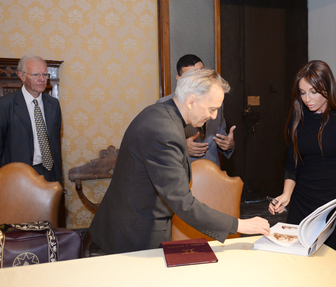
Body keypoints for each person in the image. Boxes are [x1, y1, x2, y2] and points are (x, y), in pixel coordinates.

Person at [89, 68, 269, 254]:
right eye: (212, 109)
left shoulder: (159, 113)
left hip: (132, 221)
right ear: (191, 101)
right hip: (135, 233)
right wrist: (239, 225)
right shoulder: (164, 132)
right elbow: (184, 203)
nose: (214, 116)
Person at [269, 60, 336, 255]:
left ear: (327, 87)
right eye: (302, 92)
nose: (307, 99)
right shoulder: (298, 119)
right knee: (297, 261)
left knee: (331, 262)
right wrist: (286, 194)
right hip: (302, 202)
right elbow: (292, 165)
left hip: (335, 203)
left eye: (313, 91)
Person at [157, 54, 235, 167]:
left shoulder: (216, 104)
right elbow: (158, 149)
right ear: (179, 80)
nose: (200, 82)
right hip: (185, 173)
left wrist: (228, 145)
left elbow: (219, 137)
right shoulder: (164, 106)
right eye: (193, 78)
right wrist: (183, 147)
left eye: (202, 75)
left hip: (213, 172)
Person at [0, 55, 62, 184]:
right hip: (18, 177)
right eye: (35, 75)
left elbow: (55, 142)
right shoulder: (5, 105)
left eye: (45, 74)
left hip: (50, 173)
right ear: (22, 76)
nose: (41, 79)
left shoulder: (53, 104)